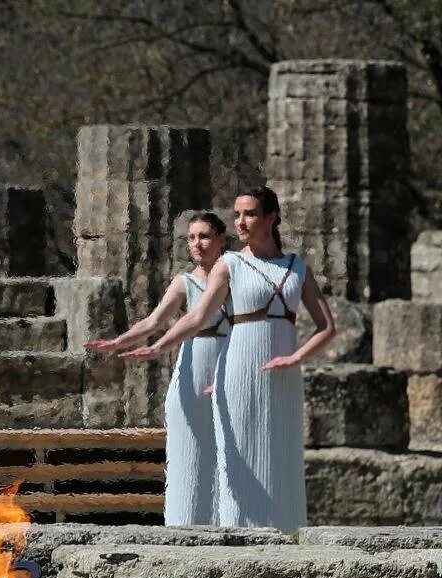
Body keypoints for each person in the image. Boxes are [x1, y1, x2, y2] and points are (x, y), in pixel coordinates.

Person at [121, 188, 336, 532]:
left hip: (283, 377)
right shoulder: (230, 264)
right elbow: (196, 317)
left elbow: (327, 328)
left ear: (271, 218)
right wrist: (159, 346)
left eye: (249, 214)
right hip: (237, 372)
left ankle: (286, 546)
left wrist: (296, 358)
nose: (241, 222)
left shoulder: (297, 267)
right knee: (237, 467)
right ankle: (237, 547)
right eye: (236, 215)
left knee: (282, 458)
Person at [86, 212, 230, 525]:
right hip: (194, 369)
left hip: (229, 365)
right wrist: (118, 342)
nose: (197, 244)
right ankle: (185, 524)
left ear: (221, 239)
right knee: (191, 452)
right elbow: (153, 321)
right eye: (191, 238)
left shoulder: (236, 276)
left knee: (229, 452)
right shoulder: (185, 283)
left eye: (204, 236)